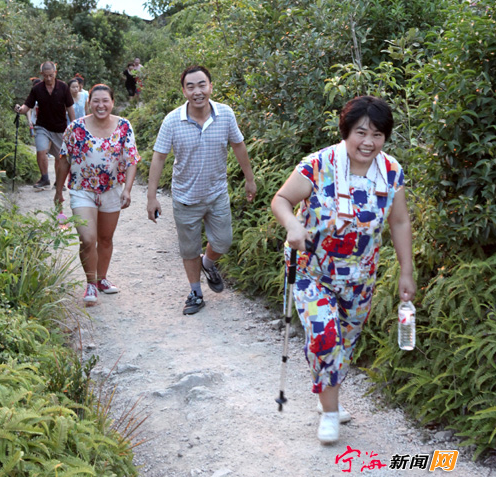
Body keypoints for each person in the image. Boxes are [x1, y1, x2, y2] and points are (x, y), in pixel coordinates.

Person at [271, 96, 415, 445]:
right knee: (324, 336)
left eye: (377, 134)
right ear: (346, 131)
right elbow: (281, 200)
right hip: (312, 272)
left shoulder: (391, 172)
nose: (369, 142)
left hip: (360, 278)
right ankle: (330, 413)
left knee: (345, 343)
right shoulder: (318, 165)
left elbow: (399, 221)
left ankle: (326, 391)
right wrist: (292, 224)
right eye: (361, 132)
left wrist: (406, 271)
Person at [147, 65, 257, 315]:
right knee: (189, 249)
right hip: (185, 197)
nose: (197, 91)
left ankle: (208, 263)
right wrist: (151, 197)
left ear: (210, 87)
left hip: (216, 193)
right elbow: (159, 157)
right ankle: (195, 292)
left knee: (223, 241)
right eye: (191, 86)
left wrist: (249, 179)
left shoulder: (225, 114)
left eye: (202, 85)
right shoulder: (172, 121)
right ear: (184, 91)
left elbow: (238, 145)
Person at [54, 84, 140, 306]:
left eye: (105, 101)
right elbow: (64, 160)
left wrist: (127, 189)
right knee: (87, 238)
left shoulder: (123, 126)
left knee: (105, 238)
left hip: (111, 189)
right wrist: (58, 191)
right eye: (96, 101)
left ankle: (102, 279)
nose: (101, 105)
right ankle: (91, 282)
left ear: (112, 102)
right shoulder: (75, 128)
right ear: (89, 102)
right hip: (82, 189)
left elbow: (132, 159)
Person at [14, 61, 75, 190]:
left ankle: (59, 182)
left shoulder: (63, 87)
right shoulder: (37, 89)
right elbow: (27, 105)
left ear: (55, 73)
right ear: (41, 74)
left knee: (60, 157)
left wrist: (74, 125)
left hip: (60, 127)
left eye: (51, 75)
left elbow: (70, 107)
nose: (48, 78)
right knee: (41, 150)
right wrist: (20, 109)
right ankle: (45, 178)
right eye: (45, 75)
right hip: (42, 126)